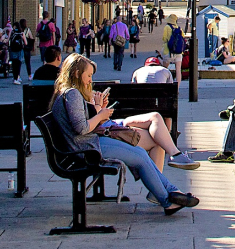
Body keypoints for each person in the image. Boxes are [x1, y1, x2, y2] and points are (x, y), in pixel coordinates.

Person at [50, 54, 198, 213]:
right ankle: (167, 200)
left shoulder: (66, 93)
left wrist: (99, 110)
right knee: (140, 156)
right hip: (86, 148)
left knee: (140, 154)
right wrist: (100, 115)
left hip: (86, 144)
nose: (90, 80)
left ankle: (171, 192)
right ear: (76, 73)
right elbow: (81, 128)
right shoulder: (72, 94)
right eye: (88, 75)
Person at [162, 14, 186, 82]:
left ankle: (164, 84)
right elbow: (183, 37)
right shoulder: (179, 28)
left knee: (164, 69)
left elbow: (164, 39)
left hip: (168, 51)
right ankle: (177, 87)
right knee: (178, 70)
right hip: (178, 52)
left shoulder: (167, 27)